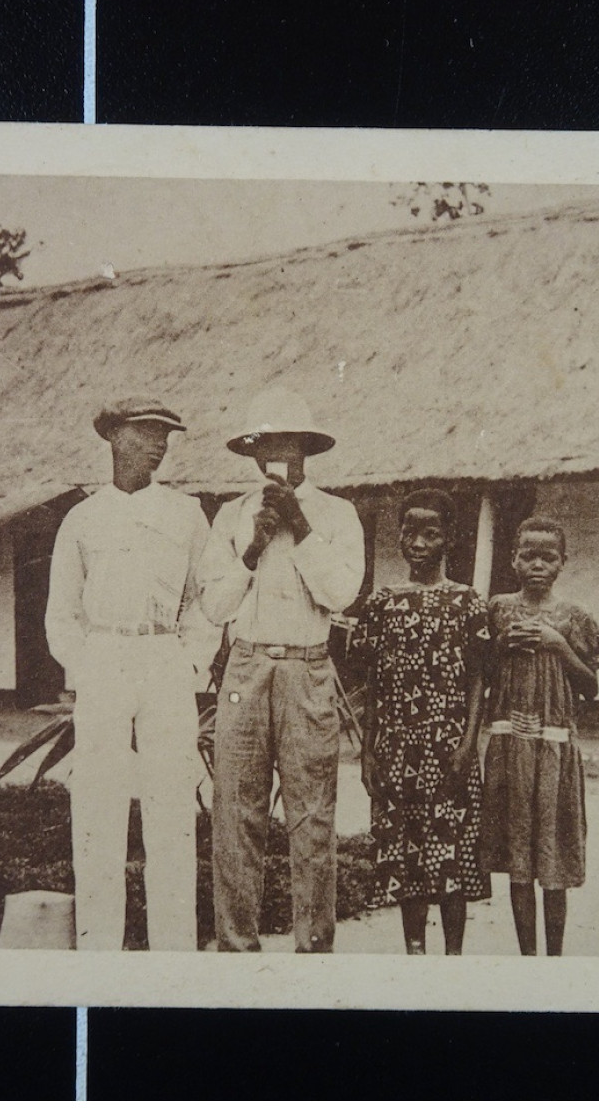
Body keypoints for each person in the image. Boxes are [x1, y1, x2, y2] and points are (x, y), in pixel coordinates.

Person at [200, 387, 365, 954]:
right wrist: (252, 550)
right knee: (236, 813)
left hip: (307, 668)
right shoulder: (231, 515)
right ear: (251, 452)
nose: (276, 456)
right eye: (264, 444)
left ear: (306, 449)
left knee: (312, 815)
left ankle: (312, 949)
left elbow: (342, 593)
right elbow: (213, 607)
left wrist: (300, 528)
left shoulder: (338, 514)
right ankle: (236, 949)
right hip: (245, 669)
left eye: (287, 444)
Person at [45, 396, 212, 951]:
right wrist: (86, 668)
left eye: (166, 434)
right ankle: (99, 953)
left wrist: (190, 664)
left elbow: (204, 602)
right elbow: (61, 613)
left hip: (165, 658)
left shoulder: (187, 514)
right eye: (147, 433)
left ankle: (174, 955)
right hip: (105, 660)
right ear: (114, 437)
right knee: (98, 806)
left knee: (172, 808)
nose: (160, 444)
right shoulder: (82, 519)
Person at [350, 489, 490, 955]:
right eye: (410, 532)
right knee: (408, 855)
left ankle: (453, 956)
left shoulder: (468, 603)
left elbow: (477, 679)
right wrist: (368, 751)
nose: (419, 543)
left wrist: (469, 743)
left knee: (449, 852)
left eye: (431, 533)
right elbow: (372, 682)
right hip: (397, 746)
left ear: (449, 539)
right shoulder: (383, 603)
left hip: (449, 746)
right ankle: (415, 952)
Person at [480, 516, 599, 957]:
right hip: (510, 743)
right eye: (528, 555)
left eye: (548, 557)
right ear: (513, 559)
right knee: (518, 854)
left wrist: (557, 644)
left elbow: (591, 685)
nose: (537, 565)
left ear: (563, 563)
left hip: (553, 744)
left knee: (550, 851)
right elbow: (484, 676)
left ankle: (555, 959)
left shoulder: (574, 617)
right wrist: (501, 645)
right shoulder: (499, 609)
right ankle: (525, 959)